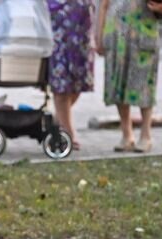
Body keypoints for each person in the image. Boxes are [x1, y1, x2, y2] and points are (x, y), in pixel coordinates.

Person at [94, 0, 162, 152]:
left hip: (143, 30)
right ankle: (126, 134)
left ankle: (146, 134)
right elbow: (104, 4)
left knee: (144, 82)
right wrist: (99, 34)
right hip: (116, 32)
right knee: (118, 81)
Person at [47, 0, 95, 150]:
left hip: (82, 30)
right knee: (61, 84)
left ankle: (58, 119)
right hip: (57, 28)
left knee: (80, 83)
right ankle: (68, 132)